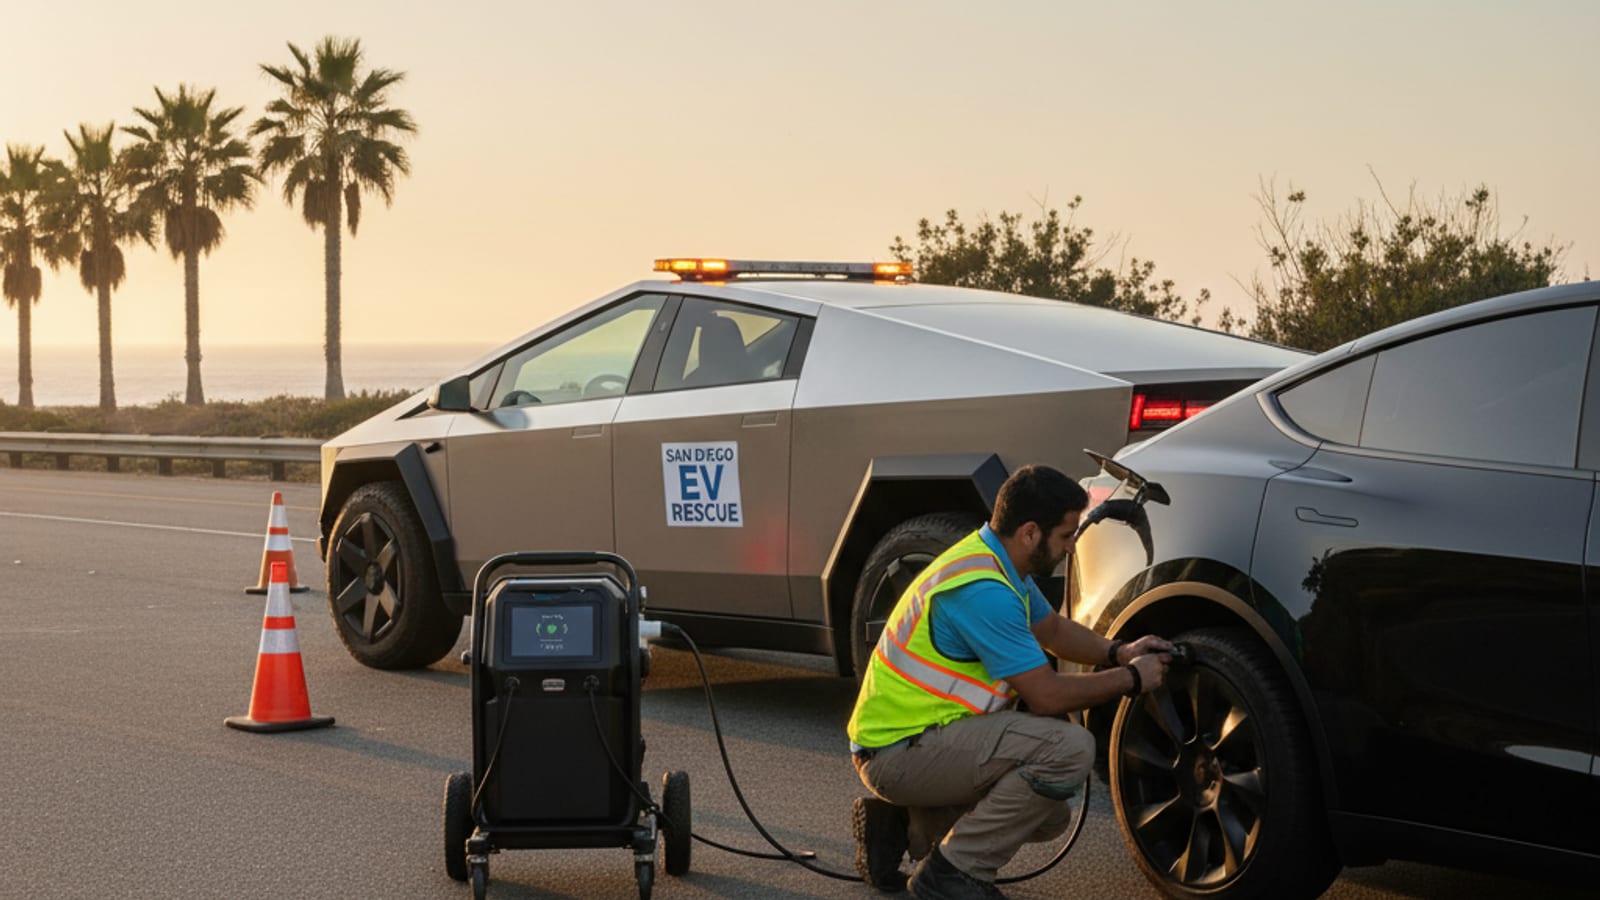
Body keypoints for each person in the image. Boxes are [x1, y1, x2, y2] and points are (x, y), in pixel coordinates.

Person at [846, 464, 1172, 899]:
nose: (1072, 548)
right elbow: (1045, 696)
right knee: (1069, 750)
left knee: (1048, 814)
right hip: (895, 753)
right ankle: (953, 873)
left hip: (921, 740)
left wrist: (1119, 651)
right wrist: (1131, 678)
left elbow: (1053, 631)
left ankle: (905, 825)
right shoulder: (984, 591)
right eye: (1066, 535)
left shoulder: (996, 563)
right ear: (1030, 533)